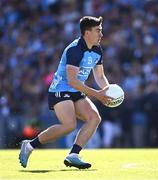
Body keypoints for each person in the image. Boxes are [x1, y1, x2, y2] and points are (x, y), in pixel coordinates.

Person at [19, 16, 112, 169]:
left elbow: (100, 76)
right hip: (60, 89)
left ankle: (73, 155)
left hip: (76, 91)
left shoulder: (97, 50)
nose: (101, 34)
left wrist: (107, 91)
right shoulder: (74, 49)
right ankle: (29, 145)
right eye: (98, 31)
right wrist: (98, 95)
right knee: (69, 125)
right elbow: (72, 81)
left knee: (94, 118)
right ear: (87, 33)